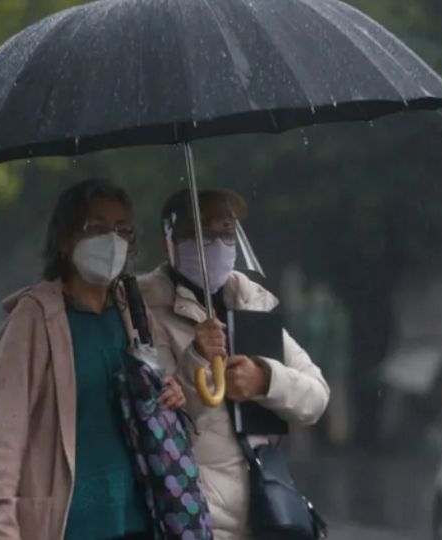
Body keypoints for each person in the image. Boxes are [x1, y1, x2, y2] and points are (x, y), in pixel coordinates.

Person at [0, 178, 189, 540]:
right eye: (96, 227)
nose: (111, 239)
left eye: (122, 229)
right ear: (65, 240)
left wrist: (173, 393)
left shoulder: (133, 312)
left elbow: (159, 393)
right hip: (68, 525)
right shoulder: (34, 319)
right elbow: (4, 435)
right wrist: (2, 525)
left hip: (139, 519)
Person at [138, 188, 331, 540]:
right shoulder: (145, 310)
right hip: (192, 517)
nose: (216, 243)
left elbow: (316, 397)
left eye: (226, 232)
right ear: (170, 244)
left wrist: (266, 381)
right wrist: (196, 356)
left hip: (266, 511)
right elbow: (157, 416)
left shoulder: (251, 304)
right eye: (203, 234)